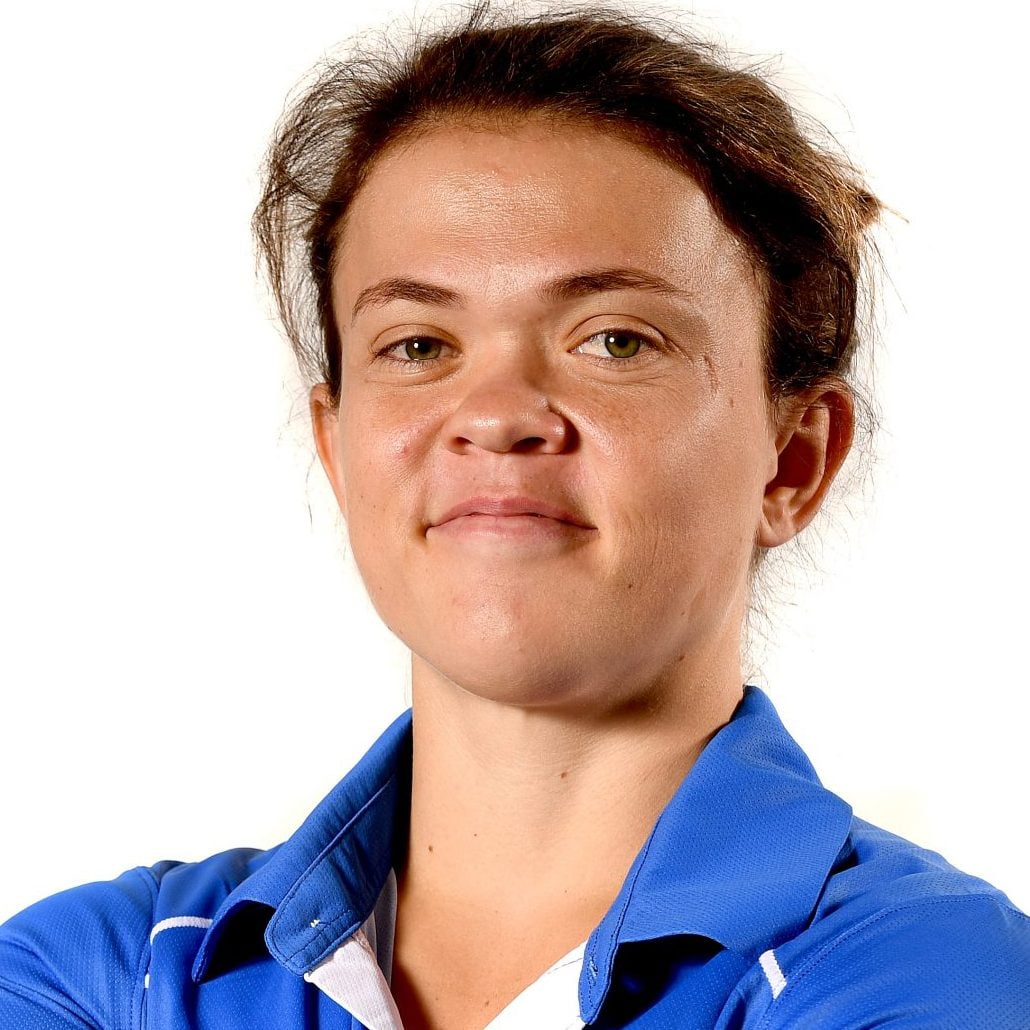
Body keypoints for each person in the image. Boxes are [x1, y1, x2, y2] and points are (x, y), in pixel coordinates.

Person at [2, 2, 1028, 1027]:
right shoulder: (99, 972)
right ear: (337, 446)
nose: (494, 415)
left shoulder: (930, 975)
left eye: (615, 340)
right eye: (417, 345)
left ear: (793, 461)